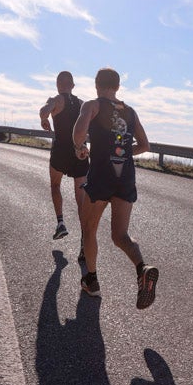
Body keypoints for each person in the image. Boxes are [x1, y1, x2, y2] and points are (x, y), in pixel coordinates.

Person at [72, 67, 159, 309]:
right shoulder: (130, 112)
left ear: (96, 84)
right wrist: (121, 151)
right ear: (118, 87)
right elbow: (145, 145)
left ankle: (92, 280)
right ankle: (143, 268)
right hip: (125, 177)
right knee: (120, 236)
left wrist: (79, 147)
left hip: (101, 175)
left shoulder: (92, 105)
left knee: (89, 229)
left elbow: (79, 132)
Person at [39, 71, 89, 244]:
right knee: (81, 198)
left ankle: (60, 223)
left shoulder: (55, 100)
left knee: (55, 185)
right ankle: (85, 238)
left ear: (58, 84)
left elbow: (43, 110)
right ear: (73, 86)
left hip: (60, 151)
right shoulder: (82, 104)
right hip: (79, 153)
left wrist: (44, 118)